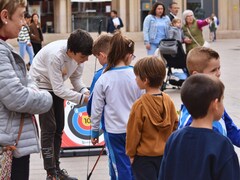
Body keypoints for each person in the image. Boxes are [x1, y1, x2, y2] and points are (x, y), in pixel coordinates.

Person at [29, 29, 93, 180]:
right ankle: (50, 173)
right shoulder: (56, 56)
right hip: (41, 85)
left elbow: (76, 80)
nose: (85, 60)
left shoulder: (79, 57)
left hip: (56, 87)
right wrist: (82, 99)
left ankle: (56, 169)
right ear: (71, 51)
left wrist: (85, 91)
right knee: (49, 128)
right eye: (83, 57)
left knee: (59, 127)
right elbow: (58, 89)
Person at [0, 1, 53, 179]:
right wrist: (46, 97)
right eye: (21, 16)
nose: (24, 22)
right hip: (9, 145)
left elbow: (27, 83)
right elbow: (17, 97)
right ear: (5, 16)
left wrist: (30, 87)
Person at [159, 74, 240, 180]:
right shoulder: (222, 145)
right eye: (222, 100)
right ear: (215, 104)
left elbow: (164, 175)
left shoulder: (174, 139)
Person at [90, 32, 142, 180]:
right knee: (135, 165)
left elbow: (96, 108)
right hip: (135, 129)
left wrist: (94, 130)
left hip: (114, 131)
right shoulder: (136, 75)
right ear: (128, 55)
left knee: (119, 166)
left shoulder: (103, 78)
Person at [126, 57, 178, 180]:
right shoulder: (168, 101)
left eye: (137, 76)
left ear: (145, 80)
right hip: (164, 155)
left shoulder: (139, 105)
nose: (135, 79)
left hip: (144, 158)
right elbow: (175, 124)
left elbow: (133, 132)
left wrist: (131, 154)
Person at [178, 47, 240, 147]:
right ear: (196, 75)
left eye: (219, 68)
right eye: (213, 70)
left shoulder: (216, 101)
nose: (218, 73)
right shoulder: (191, 112)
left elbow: (231, 130)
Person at [87, 33, 111, 117]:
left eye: (97, 57)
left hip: (110, 126)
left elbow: (93, 102)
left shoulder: (100, 75)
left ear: (102, 55)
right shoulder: (133, 71)